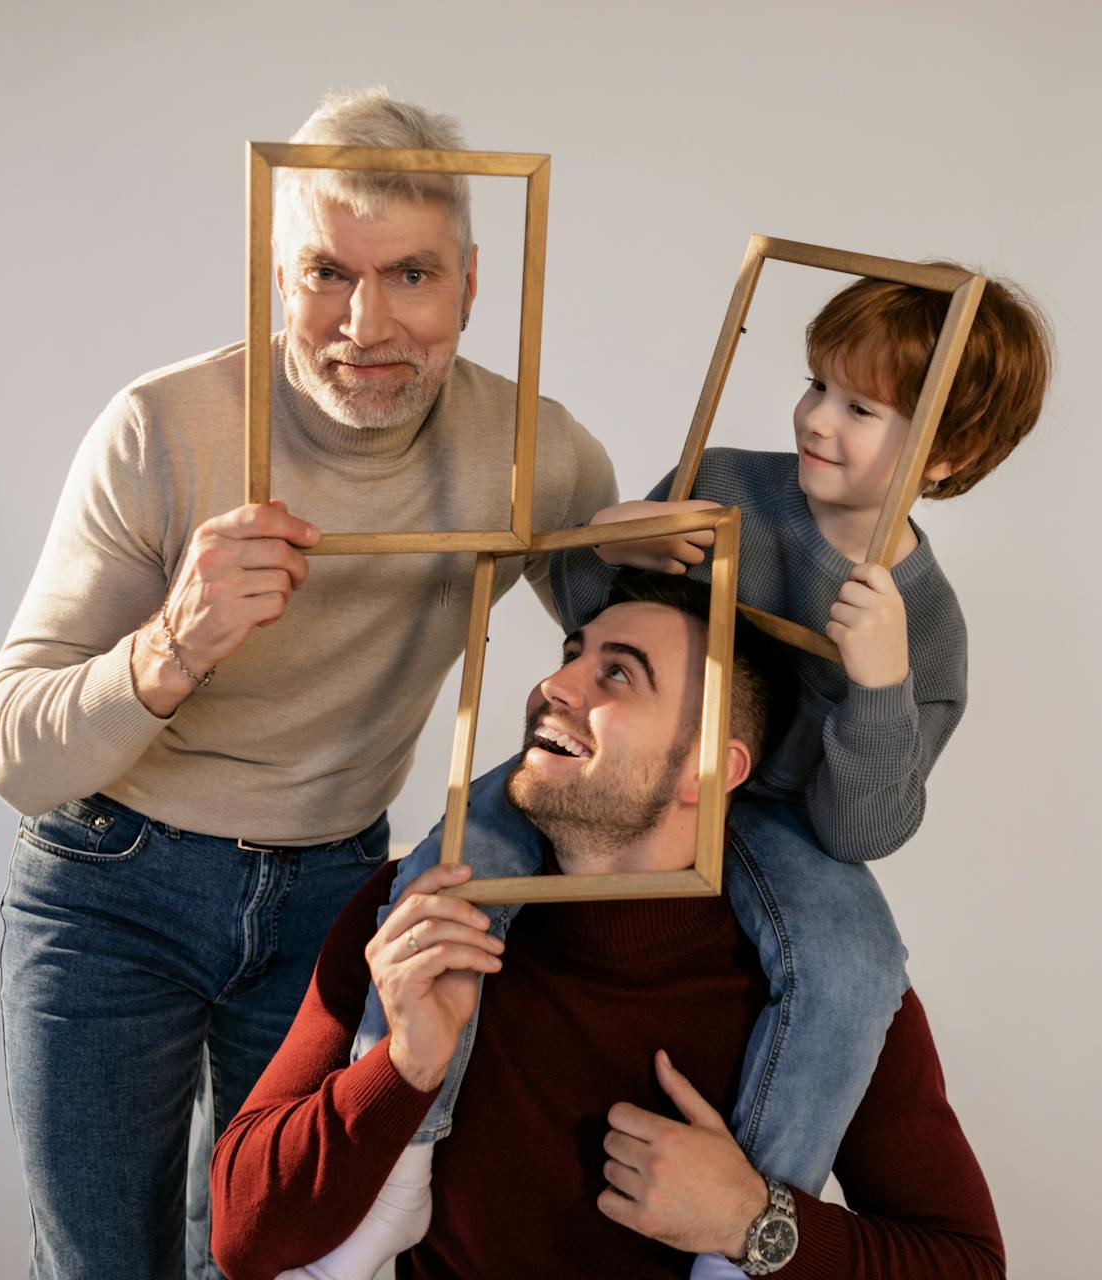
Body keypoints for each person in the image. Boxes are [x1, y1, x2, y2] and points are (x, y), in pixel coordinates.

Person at [0, 87, 616, 1280]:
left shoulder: (537, 453)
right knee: (100, 1267)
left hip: (334, 891)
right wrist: (173, 643)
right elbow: (12, 754)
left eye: (411, 276)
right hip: (112, 888)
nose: (365, 322)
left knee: (284, 1263)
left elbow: (635, 654)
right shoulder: (162, 428)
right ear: (280, 280)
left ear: (471, 284)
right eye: (328, 272)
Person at [311, 267, 1052, 1277]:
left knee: (855, 957)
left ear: (947, 454)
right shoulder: (734, 481)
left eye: (861, 407)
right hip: (637, 775)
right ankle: (400, 1156)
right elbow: (600, 629)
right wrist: (618, 541)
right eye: (816, 384)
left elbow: (860, 829)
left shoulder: (928, 625)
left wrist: (879, 687)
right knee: (455, 852)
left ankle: (740, 1229)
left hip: (786, 819)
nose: (817, 418)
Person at [212, 572, 1005, 1279]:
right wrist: (403, 1068)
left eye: (618, 674)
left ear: (711, 769)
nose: (554, 685)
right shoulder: (426, 906)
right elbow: (241, 1235)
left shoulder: (825, 983)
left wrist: (752, 1225)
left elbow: (968, 1261)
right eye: (571, 654)